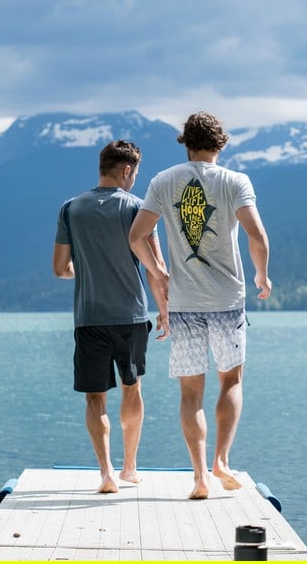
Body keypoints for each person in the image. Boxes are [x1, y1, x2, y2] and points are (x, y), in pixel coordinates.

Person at [128, 111, 272, 500]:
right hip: (228, 301)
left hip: (185, 304)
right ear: (220, 145)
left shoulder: (164, 181)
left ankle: (199, 477)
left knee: (191, 394)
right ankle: (221, 460)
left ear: (185, 143)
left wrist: (159, 275)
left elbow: (137, 235)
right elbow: (256, 235)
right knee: (231, 380)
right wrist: (261, 275)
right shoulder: (234, 181)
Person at [54, 139, 169, 494]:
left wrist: (87, 270)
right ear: (127, 170)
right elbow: (156, 268)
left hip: (88, 317)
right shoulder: (138, 208)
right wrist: (164, 312)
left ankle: (105, 474)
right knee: (132, 388)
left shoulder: (70, 208)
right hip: (130, 316)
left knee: (94, 396)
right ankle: (129, 469)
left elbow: (60, 269)